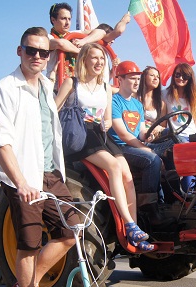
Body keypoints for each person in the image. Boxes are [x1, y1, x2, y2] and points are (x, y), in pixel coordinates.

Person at [0, 26, 82, 287]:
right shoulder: (5, 88)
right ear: (20, 51)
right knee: (28, 245)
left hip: (51, 174)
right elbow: (1, 142)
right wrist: (22, 183)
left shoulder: (45, 85)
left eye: (44, 52)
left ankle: (25, 286)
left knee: (74, 230)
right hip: (23, 178)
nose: (38, 56)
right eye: (31, 50)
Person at [55, 43, 153, 252]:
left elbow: (107, 118)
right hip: (82, 134)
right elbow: (54, 110)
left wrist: (107, 122)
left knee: (127, 175)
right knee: (114, 167)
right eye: (94, 58)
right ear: (84, 60)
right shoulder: (72, 83)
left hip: (100, 134)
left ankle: (133, 230)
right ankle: (128, 222)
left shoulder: (106, 88)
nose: (99, 62)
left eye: (102, 59)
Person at [109, 61, 173, 229]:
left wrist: (153, 134)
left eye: (138, 78)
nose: (136, 82)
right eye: (132, 78)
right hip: (121, 148)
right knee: (152, 159)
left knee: (173, 148)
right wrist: (144, 147)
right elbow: (123, 134)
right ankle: (150, 210)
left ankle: (174, 200)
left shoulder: (137, 104)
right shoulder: (114, 101)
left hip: (136, 144)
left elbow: (142, 132)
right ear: (120, 80)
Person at [164, 63, 196, 191]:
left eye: (185, 76)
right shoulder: (165, 94)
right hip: (174, 137)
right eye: (177, 75)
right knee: (185, 154)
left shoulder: (194, 97)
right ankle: (185, 194)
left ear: (190, 78)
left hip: (190, 137)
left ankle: (194, 195)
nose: (181, 78)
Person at [136, 66, 174, 168]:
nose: (155, 78)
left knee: (172, 135)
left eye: (157, 76)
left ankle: (174, 179)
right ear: (144, 77)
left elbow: (162, 126)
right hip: (138, 137)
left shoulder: (161, 103)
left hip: (153, 137)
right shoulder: (134, 97)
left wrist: (154, 131)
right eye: (152, 75)